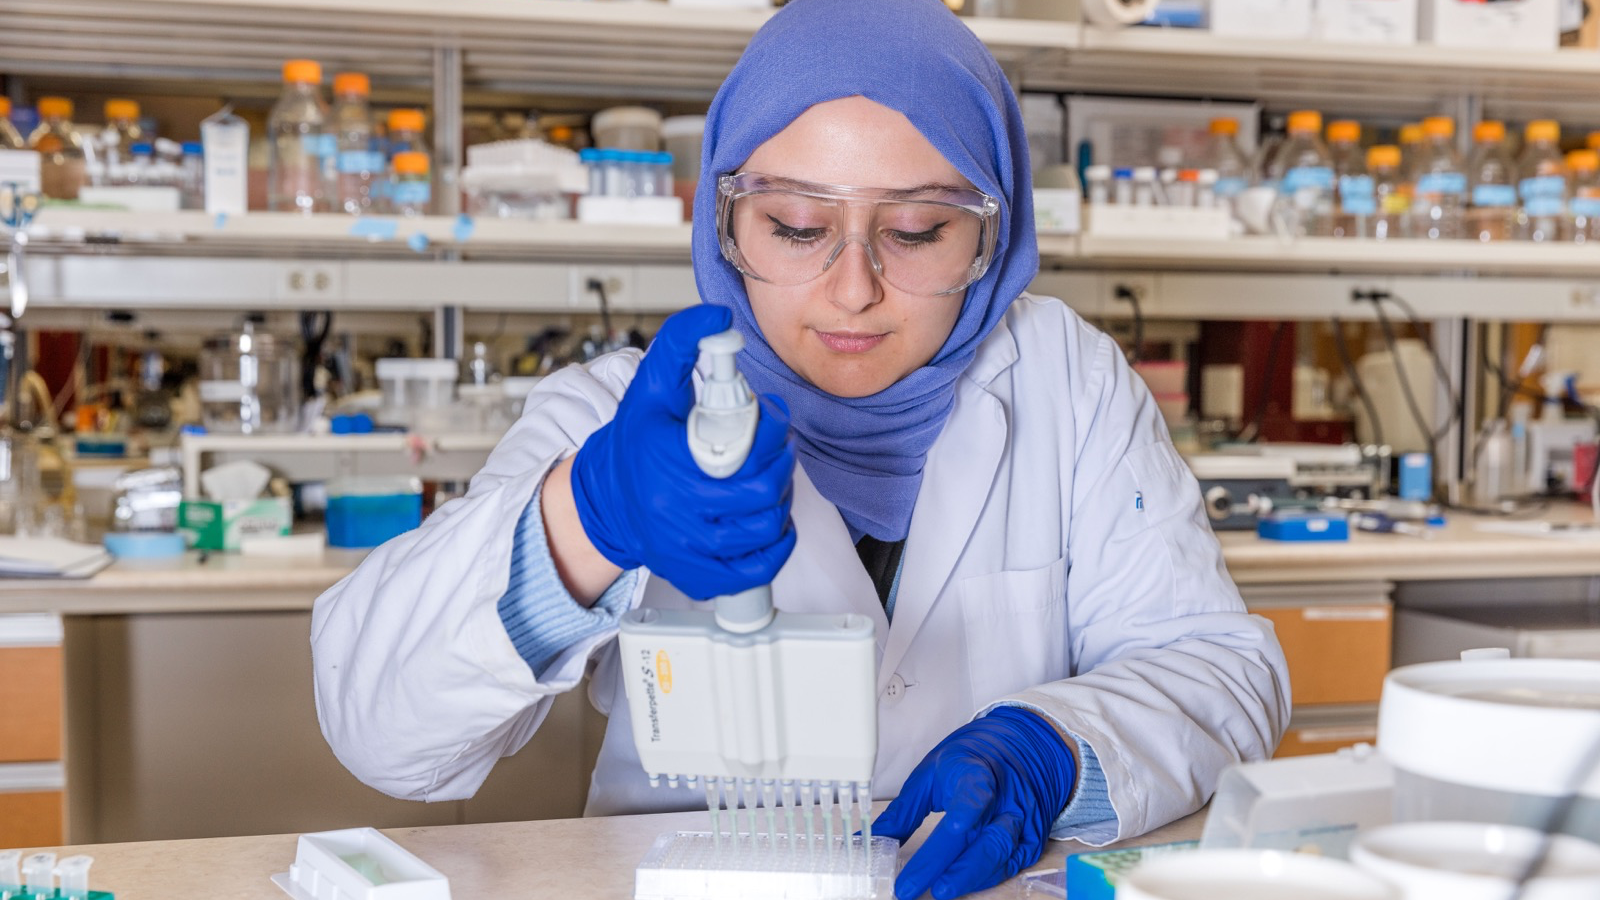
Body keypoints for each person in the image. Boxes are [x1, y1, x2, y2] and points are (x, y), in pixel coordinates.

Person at [311, 1, 1291, 898]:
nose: (852, 288)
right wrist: (586, 516)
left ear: (994, 234)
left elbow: (1219, 667)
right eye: (795, 226)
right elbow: (381, 735)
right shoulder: (615, 420)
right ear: (724, 219)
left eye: (916, 230)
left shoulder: (1067, 385)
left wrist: (1059, 748)